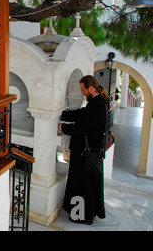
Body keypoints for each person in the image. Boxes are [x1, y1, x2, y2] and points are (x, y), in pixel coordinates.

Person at [58, 75, 109, 225]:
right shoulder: (99, 102)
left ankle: (80, 216)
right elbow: (83, 114)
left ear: (91, 89)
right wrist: (64, 114)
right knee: (85, 183)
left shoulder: (95, 106)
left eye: (83, 89)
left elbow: (82, 128)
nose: (82, 92)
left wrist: (63, 127)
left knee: (81, 184)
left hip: (84, 154)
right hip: (90, 152)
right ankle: (87, 212)